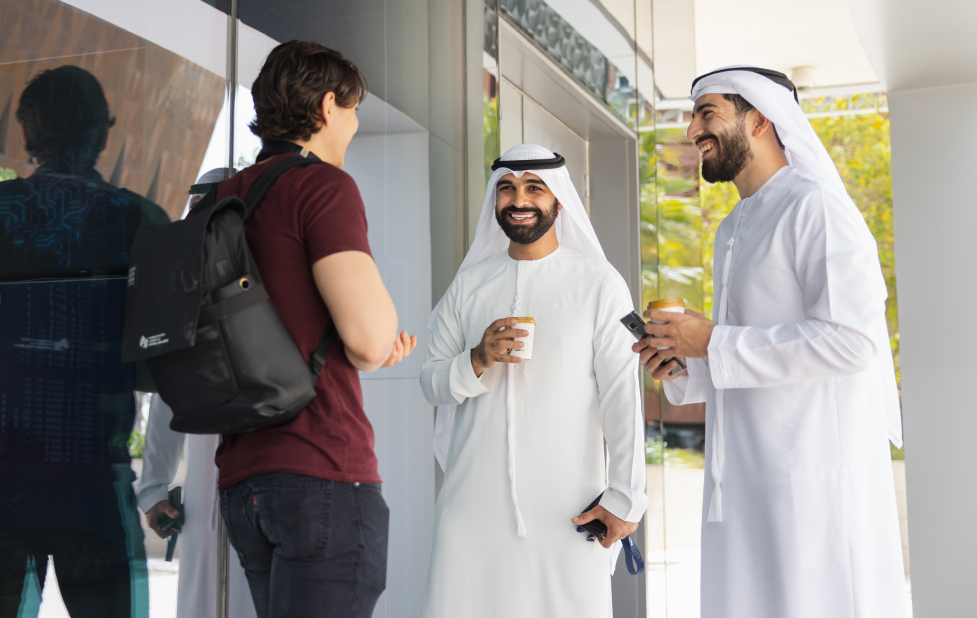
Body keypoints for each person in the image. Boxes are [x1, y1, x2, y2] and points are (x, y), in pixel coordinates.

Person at [634, 66, 908, 617]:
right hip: (740, 481)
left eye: (707, 113)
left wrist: (712, 341)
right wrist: (683, 360)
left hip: (810, 478)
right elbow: (744, 350)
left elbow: (851, 341)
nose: (692, 130)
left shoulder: (814, 206)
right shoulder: (731, 227)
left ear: (759, 119)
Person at [0, 65, 167, 618]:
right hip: (93, 481)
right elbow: (161, 363)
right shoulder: (141, 219)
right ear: (103, 132)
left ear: (26, 133)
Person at [211, 40, 417, 618]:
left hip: (243, 478)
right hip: (320, 470)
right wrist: (377, 344)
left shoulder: (224, 197)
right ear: (328, 106)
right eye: (353, 110)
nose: (354, 124)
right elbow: (370, 339)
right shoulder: (322, 186)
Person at [418, 143, 646, 617]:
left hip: (568, 511)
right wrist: (477, 358)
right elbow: (431, 383)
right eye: (506, 188)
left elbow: (622, 399)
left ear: (558, 200)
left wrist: (625, 499)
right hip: (471, 511)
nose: (518, 200)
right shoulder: (469, 285)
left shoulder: (599, 285)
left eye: (534, 188)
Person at [136, 167, 256, 618]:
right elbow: (167, 396)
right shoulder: (180, 293)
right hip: (207, 485)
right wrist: (153, 488)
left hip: (269, 481)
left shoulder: (268, 284)